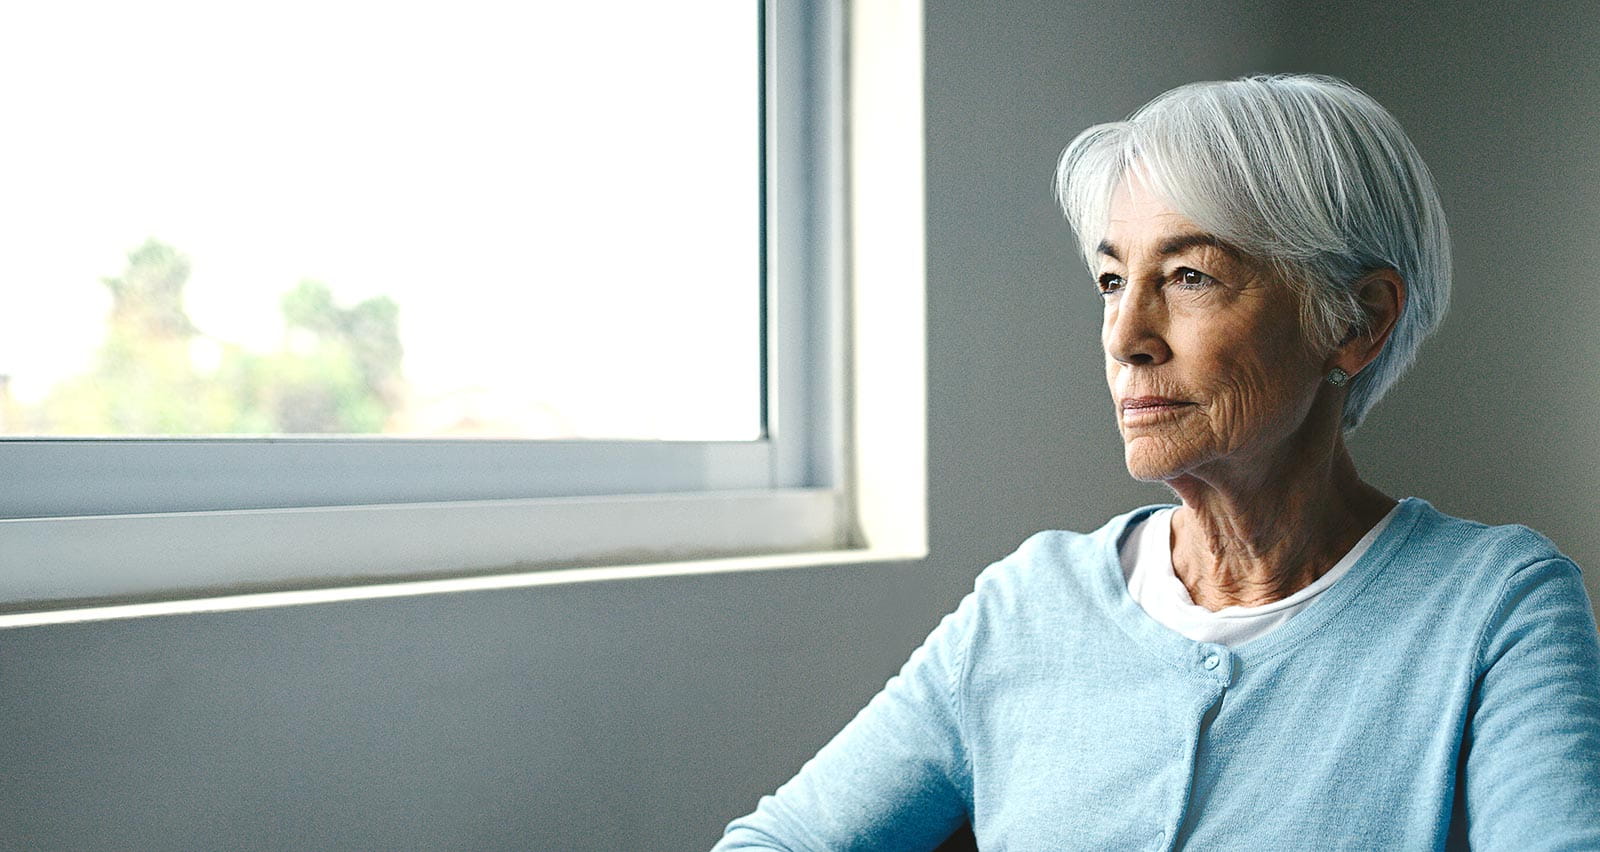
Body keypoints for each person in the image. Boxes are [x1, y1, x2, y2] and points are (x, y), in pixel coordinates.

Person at [712, 74, 1600, 850]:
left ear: (1356, 321)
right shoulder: (1030, 603)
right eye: (1112, 281)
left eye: (1189, 277)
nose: (1125, 335)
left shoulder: (1496, 608)